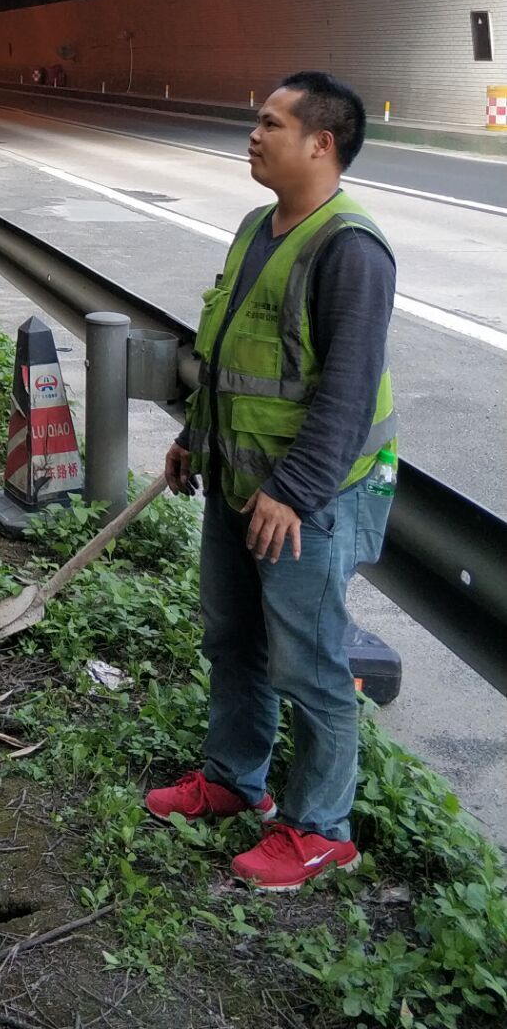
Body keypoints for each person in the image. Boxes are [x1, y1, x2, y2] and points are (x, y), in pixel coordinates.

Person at [145, 71, 397, 892]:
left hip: (306, 501)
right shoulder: (259, 225)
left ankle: (322, 829)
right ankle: (233, 780)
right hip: (236, 480)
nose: (253, 135)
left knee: (311, 663)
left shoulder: (350, 249)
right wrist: (194, 438)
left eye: (271, 124)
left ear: (321, 144)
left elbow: (347, 393)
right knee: (234, 641)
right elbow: (230, 359)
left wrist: (295, 491)